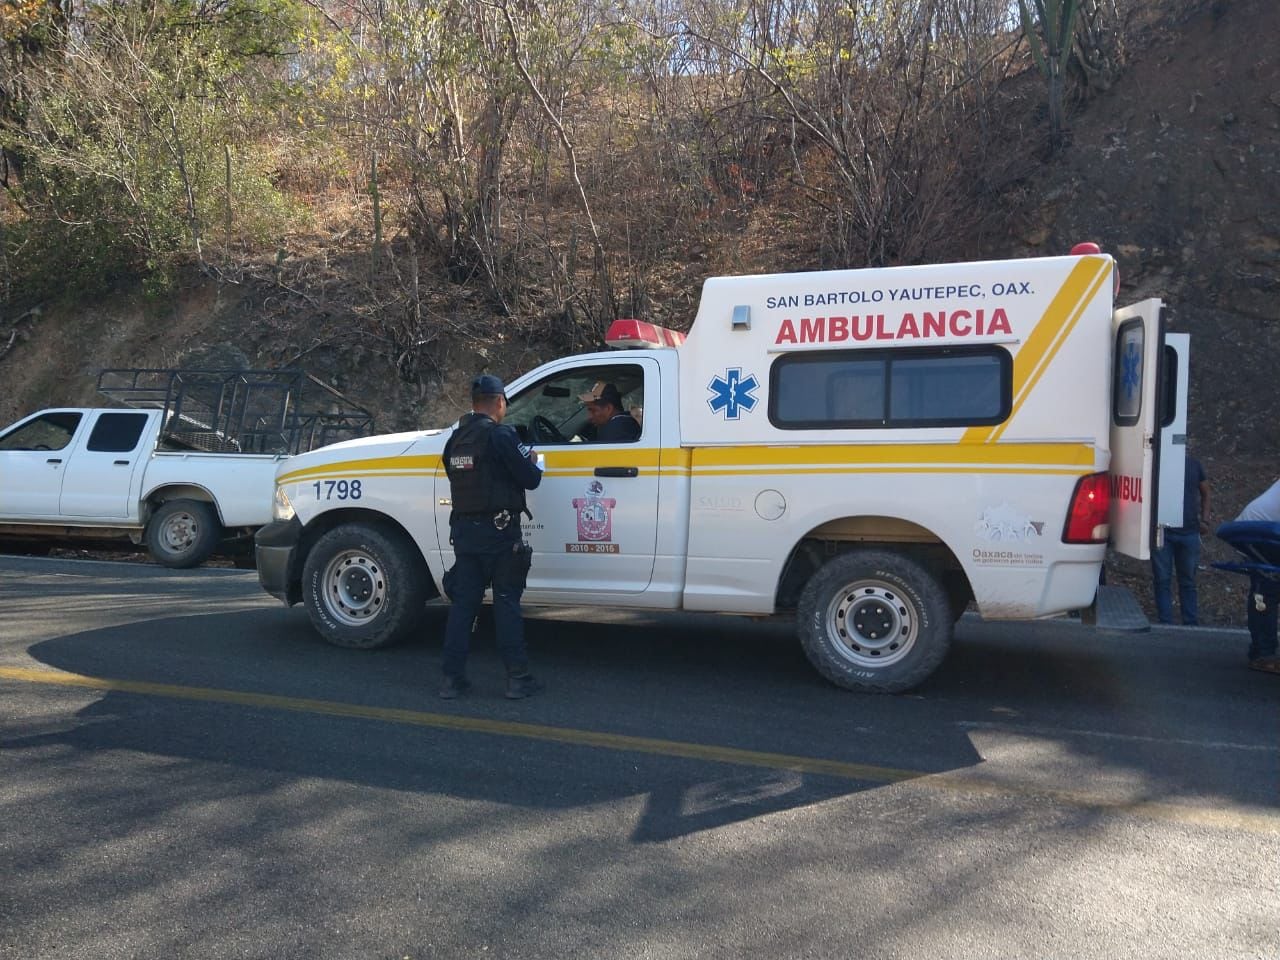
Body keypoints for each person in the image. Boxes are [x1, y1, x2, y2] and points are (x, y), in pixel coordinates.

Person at [440, 374, 544, 699]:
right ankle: (518, 679)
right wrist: (532, 462)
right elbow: (531, 480)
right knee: (505, 602)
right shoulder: (501, 436)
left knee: (463, 608)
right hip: (500, 536)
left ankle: (451, 681)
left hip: (465, 534)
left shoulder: (455, 440)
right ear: (500, 402)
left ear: (473, 404)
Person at [1150, 454, 1210, 625]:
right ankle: (1167, 622)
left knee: (1185, 580)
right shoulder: (1156, 464)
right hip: (1163, 531)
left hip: (1187, 531)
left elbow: (1206, 492)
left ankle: (1188, 622)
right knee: (1164, 580)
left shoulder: (1193, 464)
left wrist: (1205, 519)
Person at [1233, 478, 1280, 674]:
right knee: (1267, 590)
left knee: (1267, 589)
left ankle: (1262, 651)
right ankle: (1263, 654)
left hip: (1264, 532)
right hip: (1258, 533)